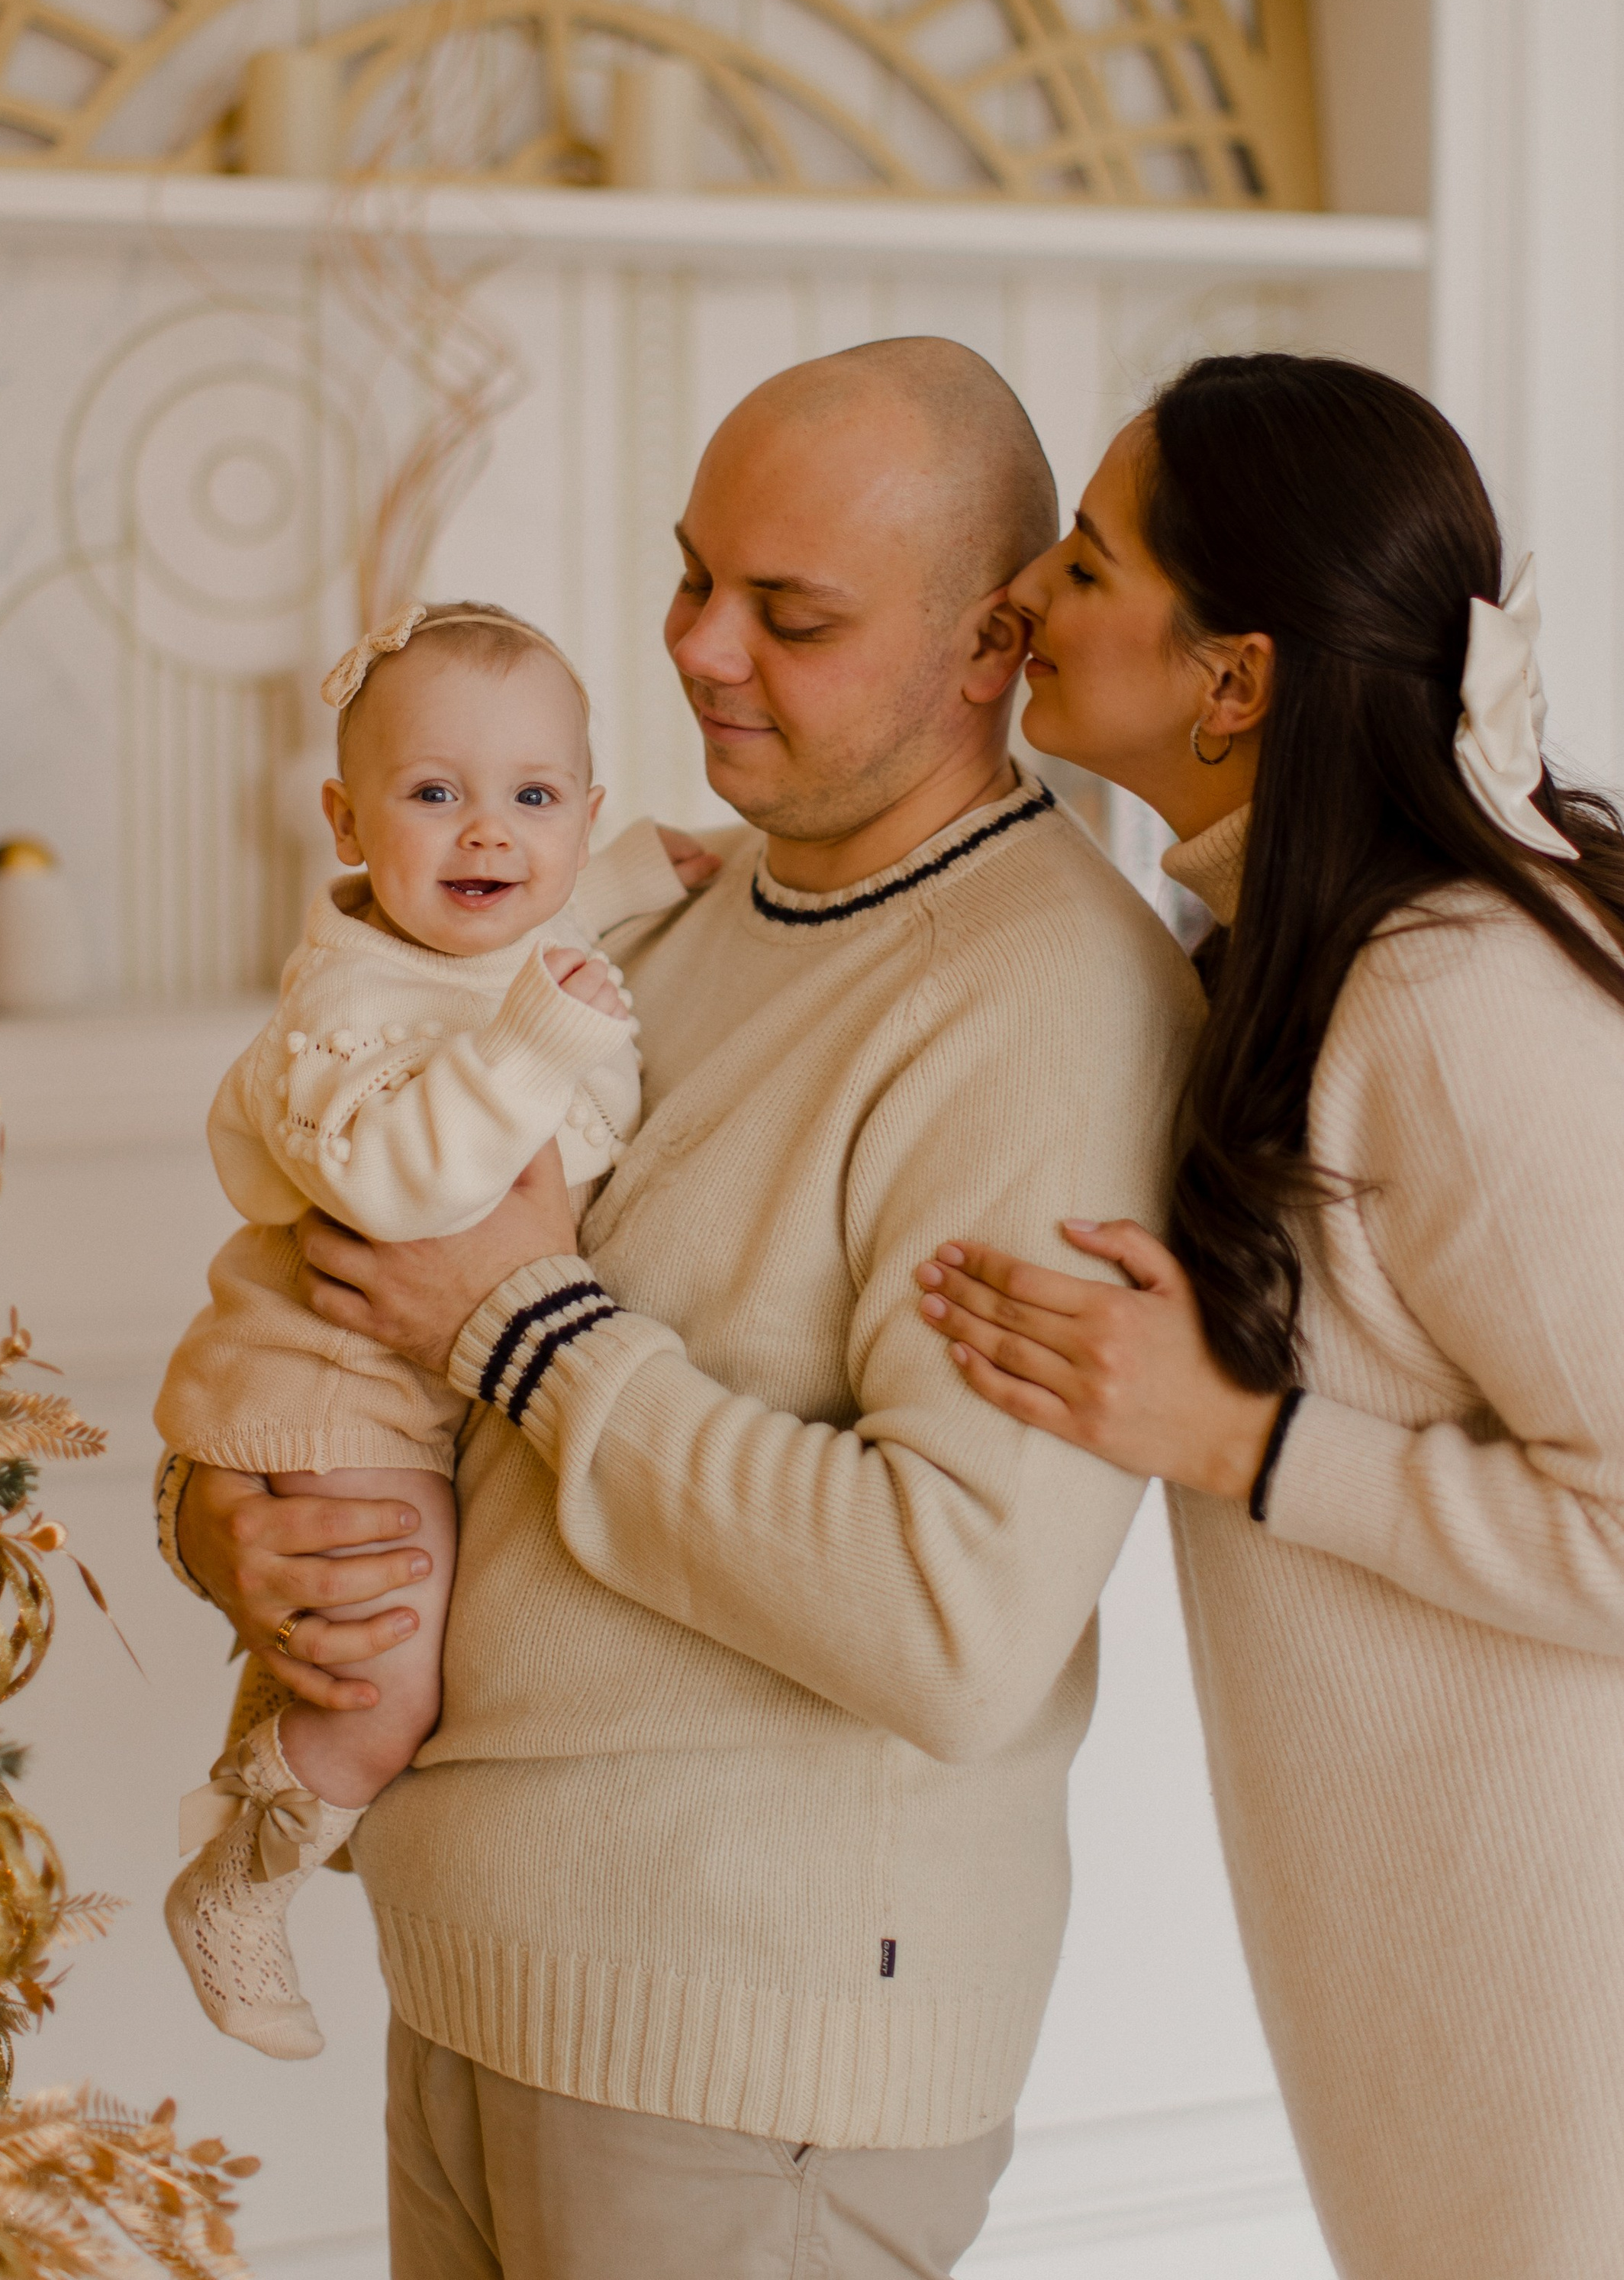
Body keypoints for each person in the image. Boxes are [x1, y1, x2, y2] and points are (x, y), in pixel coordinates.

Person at [159, 337, 1203, 2280]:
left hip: (742, 2062)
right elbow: (360, 1311)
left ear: (991, 644)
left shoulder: (1048, 1008)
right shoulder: (639, 920)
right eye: (689, 575)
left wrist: (529, 1328)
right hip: (483, 1980)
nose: (698, 650)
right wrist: (231, 1524)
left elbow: (947, 1618)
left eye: (787, 616)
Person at [915, 350, 1624, 2280]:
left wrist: (1238, 1440)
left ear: (1231, 680)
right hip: (1420, 1955)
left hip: (1560, 1991)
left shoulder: (1446, 1003)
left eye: (1079, 561)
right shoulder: (1265, 952)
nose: (1022, 604)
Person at [156, 598, 710, 2059]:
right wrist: (540, 1046)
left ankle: (279, 1780)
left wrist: (660, 866)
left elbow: (570, 907)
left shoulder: (532, 924)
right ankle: (237, 1878)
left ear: (583, 818)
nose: (487, 836)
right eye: (434, 795)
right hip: (334, 1380)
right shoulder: (352, 1002)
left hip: (423, 1392)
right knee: (385, 1682)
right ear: (347, 821)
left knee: (372, 1649)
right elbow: (404, 1185)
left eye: (534, 799)